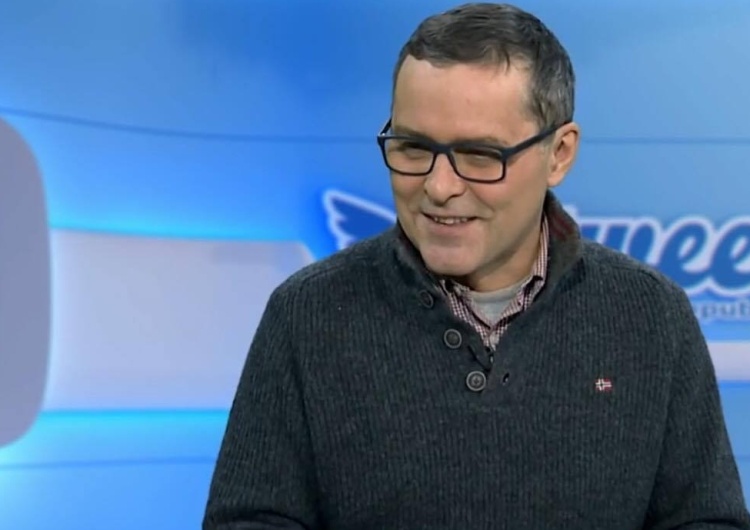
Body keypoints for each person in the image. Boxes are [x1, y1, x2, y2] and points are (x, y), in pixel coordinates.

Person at [202, 3, 750, 529]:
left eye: (481, 156)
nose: (439, 187)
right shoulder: (307, 313)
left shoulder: (651, 315)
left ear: (559, 153)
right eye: (413, 148)